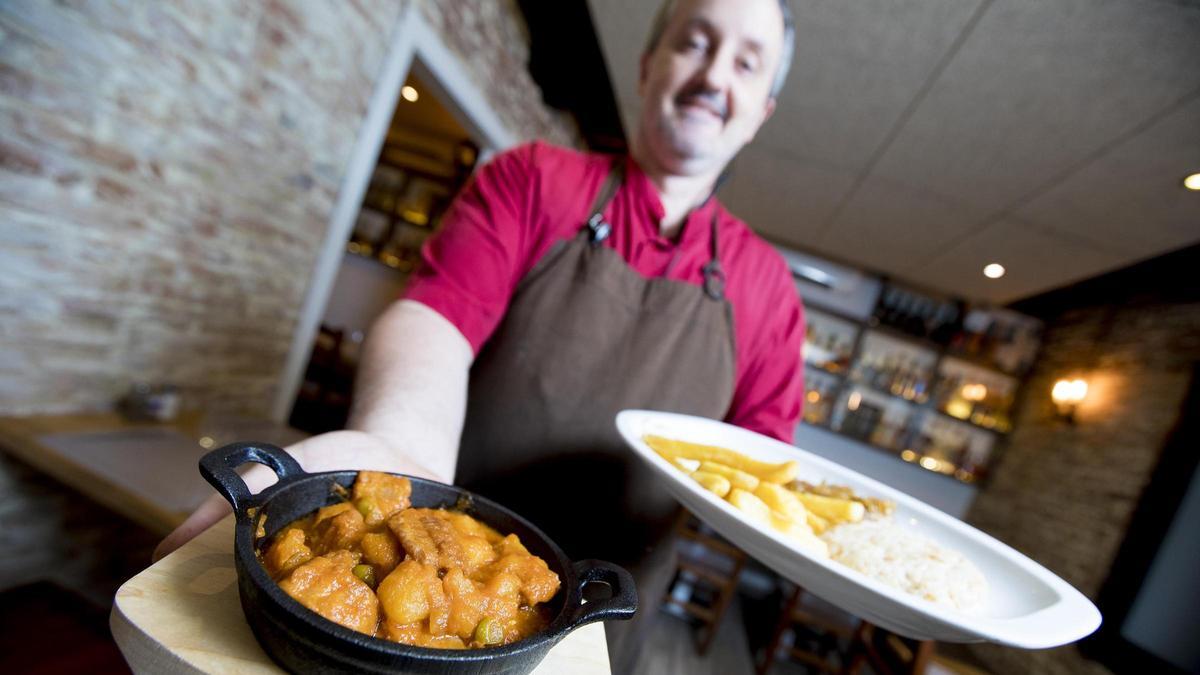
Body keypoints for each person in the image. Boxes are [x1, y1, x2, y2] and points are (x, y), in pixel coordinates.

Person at [159, 0, 802, 666]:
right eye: (694, 44)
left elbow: (764, 477)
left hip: (603, 625)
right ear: (646, 69)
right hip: (439, 564)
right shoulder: (531, 180)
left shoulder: (770, 294)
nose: (715, 75)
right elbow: (434, 315)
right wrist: (398, 440)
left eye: (747, 63)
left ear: (762, 112)